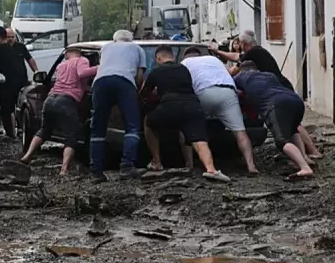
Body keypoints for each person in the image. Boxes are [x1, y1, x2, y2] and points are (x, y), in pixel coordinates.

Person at [214, 31, 323, 161]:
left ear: (244, 43)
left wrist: (218, 65)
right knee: (293, 125)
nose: (239, 46)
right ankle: (305, 154)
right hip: (278, 86)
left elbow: (234, 67)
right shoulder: (258, 51)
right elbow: (236, 56)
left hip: (278, 88)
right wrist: (219, 53)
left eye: (240, 44)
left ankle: (312, 151)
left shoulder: (253, 54)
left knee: (294, 124)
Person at [140, 45, 230, 182]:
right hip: (192, 105)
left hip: (169, 106)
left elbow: (144, 93)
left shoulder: (156, 71)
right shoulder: (184, 69)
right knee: (198, 138)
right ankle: (209, 169)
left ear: (158, 58)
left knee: (148, 121)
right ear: (172, 56)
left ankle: (157, 162)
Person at [20, 46, 98, 175]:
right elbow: (83, 73)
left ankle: (27, 156)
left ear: (67, 55)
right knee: (71, 137)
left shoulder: (61, 65)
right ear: (78, 53)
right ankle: (64, 169)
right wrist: (101, 67)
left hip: (50, 99)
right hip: (67, 101)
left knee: (44, 130)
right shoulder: (81, 60)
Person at [181, 47, 258, 174]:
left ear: (186, 57)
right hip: (228, 92)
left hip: (203, 93)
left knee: (189, 127)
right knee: (240, 132)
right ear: (199, 54)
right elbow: (229, 72)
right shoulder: (213, 59)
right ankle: (251, 166)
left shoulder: (185, 64)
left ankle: (189, 164)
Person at [234, 61, 314, 180]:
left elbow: (235, 91)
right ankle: (302, 160)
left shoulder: (240, 77)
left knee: (281, 141)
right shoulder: (269, 75)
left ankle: (305, 167)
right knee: (293, 130)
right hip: (296, 101)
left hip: (275, 105)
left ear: (242, 70)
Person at [89, 30, 146, 183]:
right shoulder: (137, 49)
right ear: (131, 39)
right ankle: (127, 166)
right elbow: (140, 76)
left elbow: (103, 67)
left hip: (100, 83)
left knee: (98, 128)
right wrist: (136, 93)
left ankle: (96, 172)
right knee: (132, 126)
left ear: (115, 40)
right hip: (124, 81)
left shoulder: (106, 47)